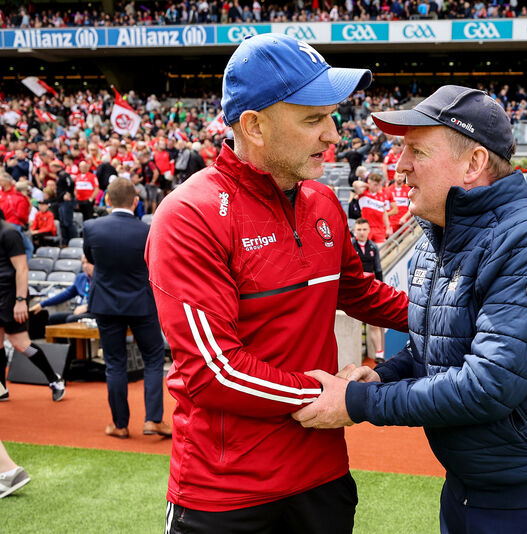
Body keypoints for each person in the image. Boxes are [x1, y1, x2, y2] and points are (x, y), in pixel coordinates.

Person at [293, 86, 527, 534]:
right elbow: (433, 351)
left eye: (416, 149)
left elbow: (489, 385)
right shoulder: (435, 242)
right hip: (466, 486)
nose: (400, 165)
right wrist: (378, 376)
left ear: (474, 163)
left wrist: (358, 402)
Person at [145, 34, 408, 533]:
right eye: (313, 119)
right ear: (254, 125)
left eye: (331, 115)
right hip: (226, 492)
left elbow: (360, 293)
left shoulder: (323, 201)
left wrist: (446, 312)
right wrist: (328, 393)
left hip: (323, 477)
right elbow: (213, 372)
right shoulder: (190, 214)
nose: (333, 134)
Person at [83, 179, 170, 440]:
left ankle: (120, 424)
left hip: (106, 304)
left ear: (107, 200)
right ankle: (154, 419)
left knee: (114, 364)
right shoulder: (147, 230)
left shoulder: (92, 228)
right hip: (142, 303)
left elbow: (90, 259)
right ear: (135, 201)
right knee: (154, 360)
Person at [0, 208, 65, 402]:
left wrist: (20, 300)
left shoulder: (9, 232)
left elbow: (22, 268)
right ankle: (1, 388)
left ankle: (54, 380)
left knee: (20, 344)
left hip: (10, 295)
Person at [352, 218, 386, 363]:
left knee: (374, 323)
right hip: (353, 290)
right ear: (354, 231)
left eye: (364, 229)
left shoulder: (373, 247)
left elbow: (378, 270)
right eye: (359, 230)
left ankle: (379, 354)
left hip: (370, 289)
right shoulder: (349, 246)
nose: (362, 233)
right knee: (354, 324)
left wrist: (380, 291)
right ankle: (355, 357)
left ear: (369, 230)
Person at [30, 255, 93, 324]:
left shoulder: (102, 279)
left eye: (88, 263)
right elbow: (65, 294)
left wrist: (87, 306)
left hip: (96, 313)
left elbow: (105, 300)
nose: (85, 266)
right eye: (83, 263)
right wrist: (42, 304)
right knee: (53, 318)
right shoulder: (81, 278)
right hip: (81, 312)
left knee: (71, 319)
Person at [353, 172, 396, 244]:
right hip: (366, 228)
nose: (378, 187)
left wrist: (388, 228)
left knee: (381, 250)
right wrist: (367, 185)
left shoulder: (381, 195)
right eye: (375, 185)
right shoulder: (363, 193)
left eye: (379, 185)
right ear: (369, 183)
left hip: (379, 228)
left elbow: (384, 214)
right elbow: (355, 184)